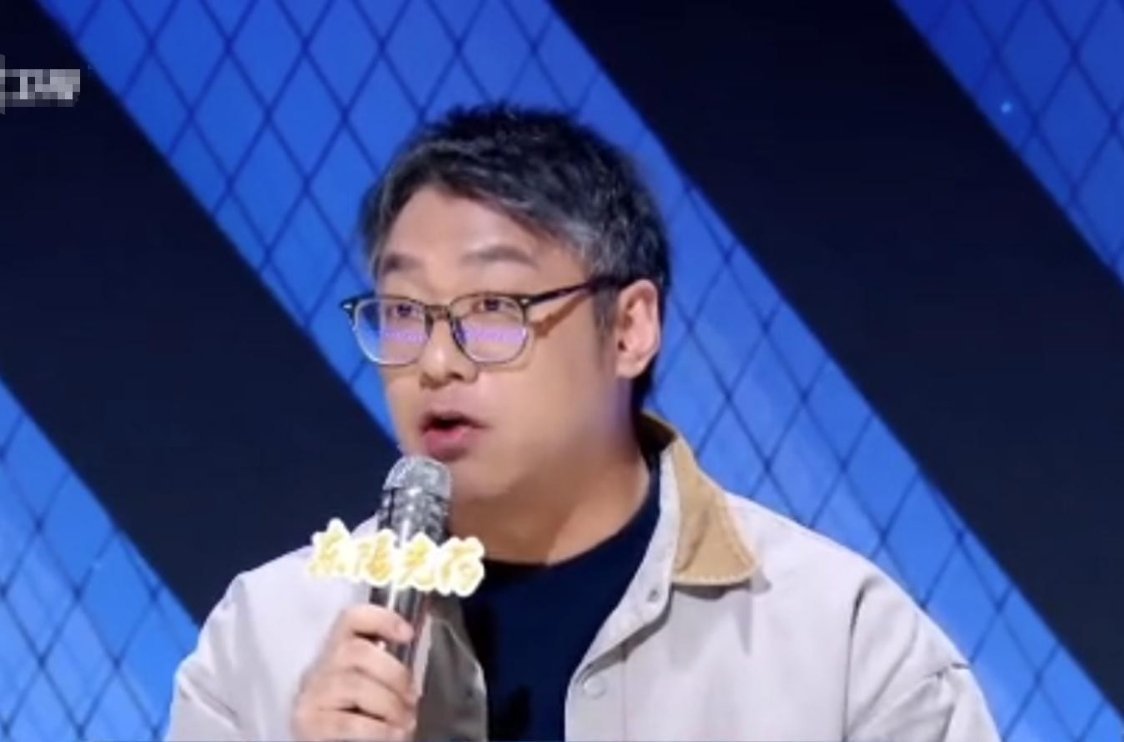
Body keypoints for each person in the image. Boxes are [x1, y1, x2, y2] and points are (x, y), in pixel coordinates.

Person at [166, 103, 1000, 742]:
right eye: (404, 312)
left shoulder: (842, 642)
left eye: (494, 310)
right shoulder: (266, 640)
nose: (436, 362)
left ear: (630, 328)